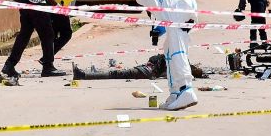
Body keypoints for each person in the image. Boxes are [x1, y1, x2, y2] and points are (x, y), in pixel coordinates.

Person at [135, 0, 198, 110]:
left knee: (176, 48)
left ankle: (186, 89)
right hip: (187, 2)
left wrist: (156, 23)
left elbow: (156, 6)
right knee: (169, 48)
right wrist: (158, 29)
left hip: (176, 4)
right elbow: (165, 15)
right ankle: (175, 93)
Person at [72, 54, 205, 80]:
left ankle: (83, 75)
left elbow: (161, 70)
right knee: (116, 73)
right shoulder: (178, 65)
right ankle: (84, 74)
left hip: (145, 71)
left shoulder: (178, 68)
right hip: (145, 69)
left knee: (115, 74)